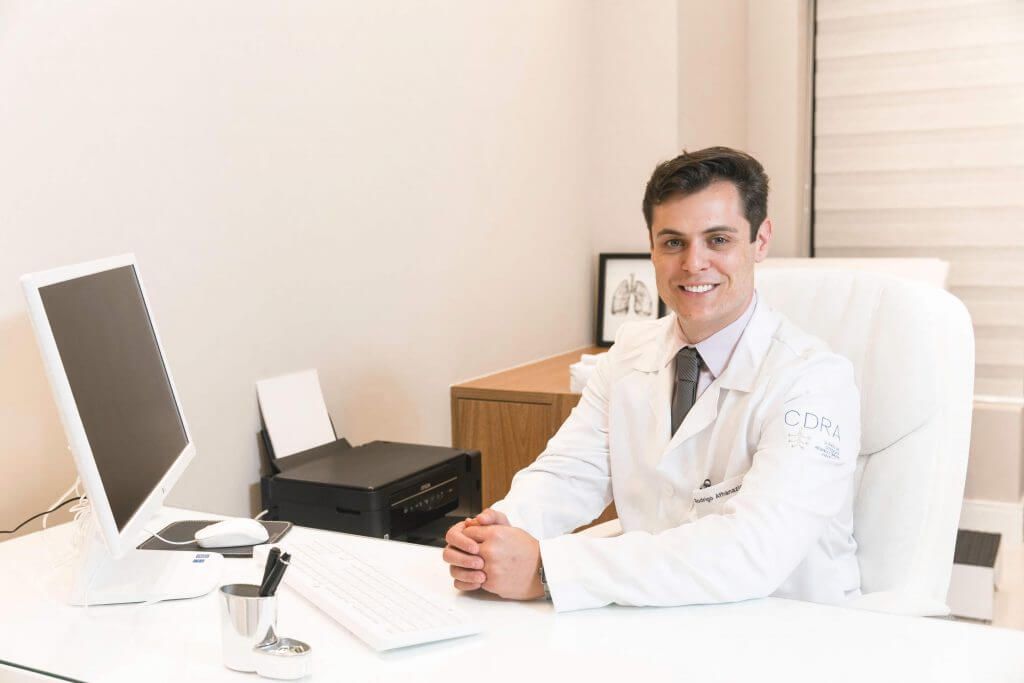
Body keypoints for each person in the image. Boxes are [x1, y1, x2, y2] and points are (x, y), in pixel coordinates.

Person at [443, 147, 861, 612]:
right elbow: (568, 474)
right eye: (673, 242)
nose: (693, 263)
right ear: (652, 247)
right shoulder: (629, 353)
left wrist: (547, 569)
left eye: (718, 240)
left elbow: (753, 550)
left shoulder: (815, 381)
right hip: (660, 613)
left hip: (789, 626)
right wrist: (496, 531)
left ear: (760, 240)